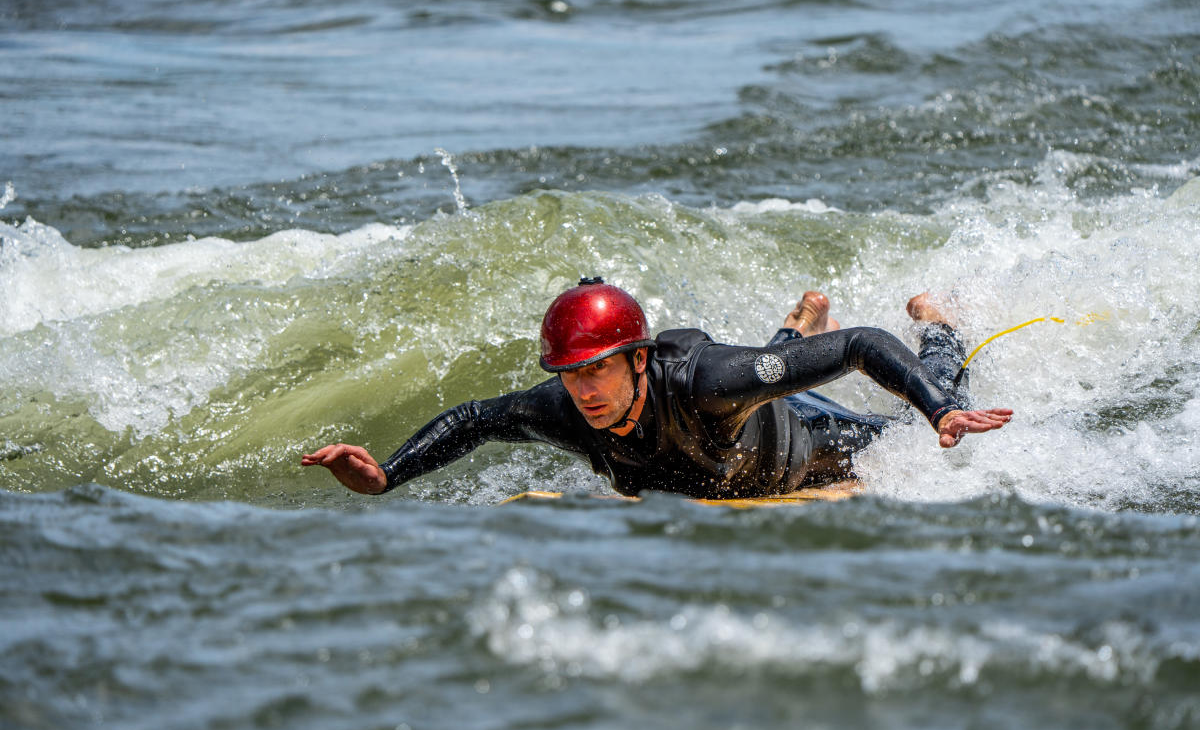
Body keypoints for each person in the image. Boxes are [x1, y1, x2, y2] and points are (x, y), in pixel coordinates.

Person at [302, 278, 1012, 499]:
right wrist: (388, 472)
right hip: (737, 423)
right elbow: (476, 418)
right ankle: (792, 334)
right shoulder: (569, 407)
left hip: (801, 442)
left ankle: (940, 324)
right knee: (763, 374)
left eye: (597, 369)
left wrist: (942, 410)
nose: (583, 390)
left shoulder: (702, 381)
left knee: (921, 411)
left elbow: (861, 346)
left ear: (638, 361)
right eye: (570, 375)